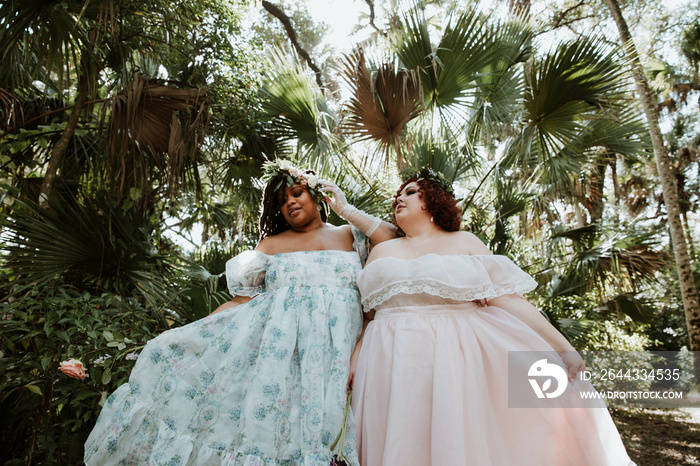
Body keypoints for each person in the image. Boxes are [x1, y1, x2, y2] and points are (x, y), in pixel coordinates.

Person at [84, 160, 395, 465]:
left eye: (296, 193)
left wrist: (346, 210)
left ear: (316, 195)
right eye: (281, 201)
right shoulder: (270, 245)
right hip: (280, 361)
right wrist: (191, 333)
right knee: (282, 435)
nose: (289, 203)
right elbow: (242, 302)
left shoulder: (351, 236)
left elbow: (394, 240)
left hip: (340, 353)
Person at [349, 167, 635, 466]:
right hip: (387, 358)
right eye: (397, 195)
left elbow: (507, 299)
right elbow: (370, 316)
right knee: (400, 436)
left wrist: (563, 348)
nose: (399, 198)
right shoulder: (381, 251)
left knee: (453, 433)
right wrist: (356, 358)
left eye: (410, 192)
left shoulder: (465, 242)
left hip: (454, 357)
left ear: (432, 200)